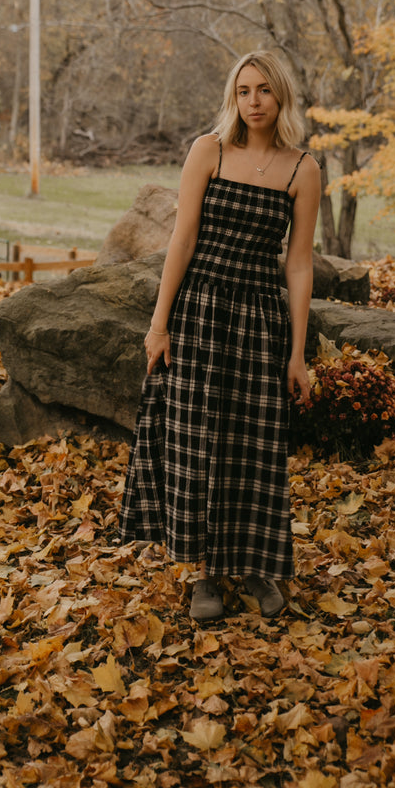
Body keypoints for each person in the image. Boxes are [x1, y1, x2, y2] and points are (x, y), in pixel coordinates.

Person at [119, 50, 321, 621]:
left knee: (254, 443)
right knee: (199, 441)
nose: (253, 101)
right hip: (200, 313)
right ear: (233, 98)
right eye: (243, 91)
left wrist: (297, 352)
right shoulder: (207, 151)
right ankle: (206, 570)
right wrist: (158, 326)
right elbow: (181, 240)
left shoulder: (302, 168)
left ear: (281, 96)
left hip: (259, 320)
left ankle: (256, 566)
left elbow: (299, 264)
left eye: (264, 91)